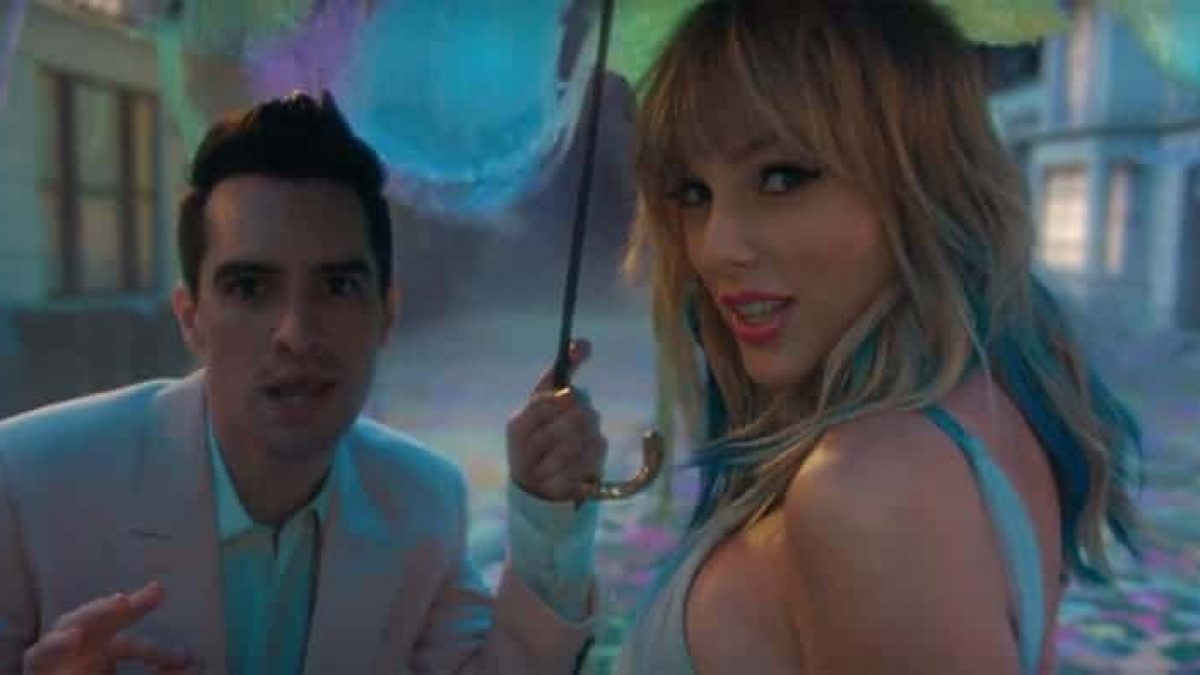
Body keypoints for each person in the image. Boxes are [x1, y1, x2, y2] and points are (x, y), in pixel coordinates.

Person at [605, 1, 1142, 673]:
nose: (715, 248)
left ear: (923, 180)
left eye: (782, 178)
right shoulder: (989, 397)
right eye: (693, 192)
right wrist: (550, 539)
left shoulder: (870, 490)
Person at [0, 92, 606, 675]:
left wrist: (548, 518)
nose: (296, 332)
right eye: (249, 287)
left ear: (386, 314)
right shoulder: (26, 482)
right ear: (191, 319)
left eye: (338, 286)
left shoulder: (421, 499)